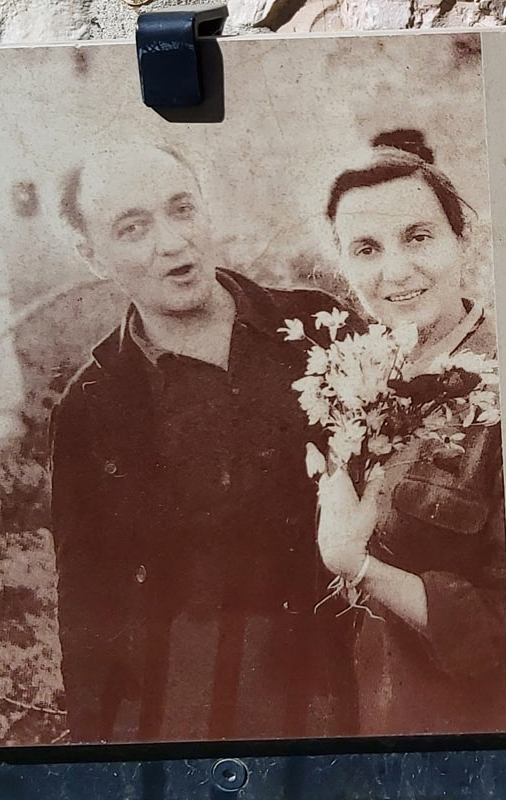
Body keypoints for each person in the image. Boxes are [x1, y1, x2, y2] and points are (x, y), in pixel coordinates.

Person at [49, 144, 357, 743]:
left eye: (182, 209)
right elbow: (87, 605)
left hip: (349, 677)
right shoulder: (89, 409)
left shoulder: (320, 328)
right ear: (92, 256)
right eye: (133, 229)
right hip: (208, 708)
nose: (171, 243)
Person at [317, 129, 506, 735]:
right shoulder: (360, 371)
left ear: (464, 239)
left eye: (419, 237)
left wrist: (356, 564)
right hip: (371, 714)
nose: (395, 271)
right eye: (367, 249)